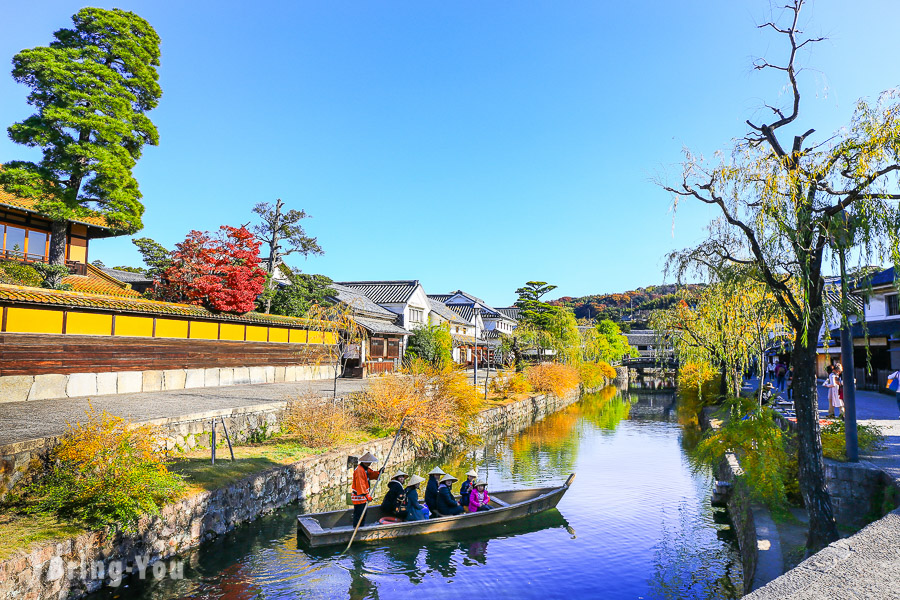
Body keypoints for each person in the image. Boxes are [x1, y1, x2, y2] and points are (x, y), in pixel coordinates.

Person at [351, 451, 382, 529]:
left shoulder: (365, 469)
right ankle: (357, 527)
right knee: (359, 513)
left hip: (363, 496)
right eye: (369, 462)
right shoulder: (359, 470)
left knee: (363, 512)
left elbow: (371, 474)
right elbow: (360, 484)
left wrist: (379, 472)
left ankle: (361, 526)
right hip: (359, 496)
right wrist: (366, 495)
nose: (370, 463)